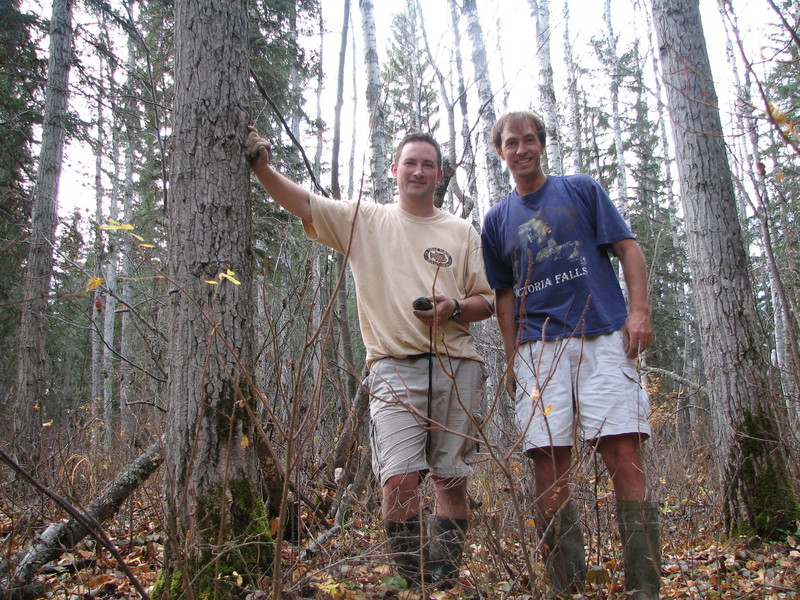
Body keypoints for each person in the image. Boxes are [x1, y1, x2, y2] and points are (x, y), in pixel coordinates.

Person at [246, 127, 494, 590]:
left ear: (439, 175)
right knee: (398, 481)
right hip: (393, 367)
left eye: (427, 164)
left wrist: (452, 309)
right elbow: (303, 203)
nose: (418, 171)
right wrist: (262, 167)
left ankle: (442, 584)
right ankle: (411, 579)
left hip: (456, 366)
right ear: (394, 170)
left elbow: (488, 300)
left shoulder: (461, 231)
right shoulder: (367, 220)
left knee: (451, 481)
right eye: (410, 163)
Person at [481, 112, 660, 600]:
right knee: (548, 461)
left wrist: (638, 311)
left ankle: (645, 587)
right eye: (511, 143)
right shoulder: (497, 220)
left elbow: (628, 249)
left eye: (530, 140)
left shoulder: (580, 189)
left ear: (542, 144)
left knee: (623, 451)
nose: (521, 149)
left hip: (604, 336)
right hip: (540, 350)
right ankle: (567, 586)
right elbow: (504, 296)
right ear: (500, 152)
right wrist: (512, 354)